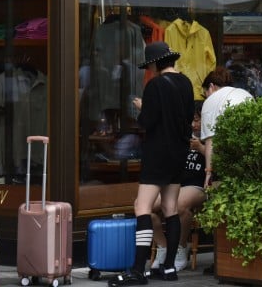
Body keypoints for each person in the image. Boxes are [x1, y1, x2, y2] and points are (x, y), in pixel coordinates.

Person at [109, 42, 195, 285]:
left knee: (142, 206)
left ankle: (137, 269)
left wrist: (141, 107)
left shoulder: (154, 85)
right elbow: (189, 117)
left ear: (156, 64)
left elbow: (147, 121)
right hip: (179, 153)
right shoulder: (186, 83)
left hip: (158, 153)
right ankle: (169, 267)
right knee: (171, 208)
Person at [150, 102, 207, 273]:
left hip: (199, 185)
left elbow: (221, 163)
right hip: (176, 183)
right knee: (145, 207)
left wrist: (201, 148)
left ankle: (181, 249)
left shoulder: (211, 137)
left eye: (197, 120)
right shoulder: (183, 135)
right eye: (191, 121)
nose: (194, 125)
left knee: (180, 205)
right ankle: (165, 247)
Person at [200, 67, 254, 190]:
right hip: (251, 158)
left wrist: (209, 173)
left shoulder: (211, 101)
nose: (206, 97)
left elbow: (210, 141)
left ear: (211, 86)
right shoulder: (244, 93)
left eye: (205, 93)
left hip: (229, 158)